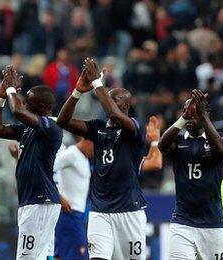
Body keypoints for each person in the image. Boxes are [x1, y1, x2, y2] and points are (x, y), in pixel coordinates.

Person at [57, 57, 147, 260]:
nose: (106, 101)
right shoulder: (97, 127)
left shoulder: (134, 127)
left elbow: (114, 116)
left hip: (129, 211)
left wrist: (98, 83)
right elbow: (63, 121)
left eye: (113, 99)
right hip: (100, 211)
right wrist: (78, 91)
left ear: (125, 105)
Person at [0, 65, 63, 259]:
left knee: (27, 257)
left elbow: (18, 111)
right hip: (35, 201)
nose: (24, 103)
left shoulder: (51, 127)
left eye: (28, 101)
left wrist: (11, 88)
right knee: (42, 256)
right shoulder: (27, 129)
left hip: (40, 200)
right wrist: (1, 98)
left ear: (40, 107)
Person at [158, 90, 223, 259]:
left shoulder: (219, 140)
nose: (189, 117)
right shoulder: (179, 141)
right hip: (183, 222)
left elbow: (220, 149)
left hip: (213, 224)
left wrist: (202, 115)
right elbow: (162, 145)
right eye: (186, 112)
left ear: (205, 115)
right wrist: (183, 118)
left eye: (194, 114)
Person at [53, 137, 93, 260]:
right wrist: (58, 196)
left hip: (76, 215)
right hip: (69, 214)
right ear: (88, 141)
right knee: (79, 255)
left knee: (61, 255)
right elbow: (45, 170)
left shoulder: (84, 158)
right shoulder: (71, 154)